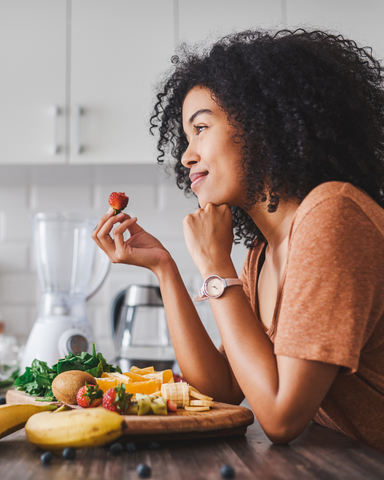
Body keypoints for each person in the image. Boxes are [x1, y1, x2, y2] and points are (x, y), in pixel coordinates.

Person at [92, 29, 384, 453]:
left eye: (202, 127)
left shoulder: (332, 215)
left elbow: (281, 416)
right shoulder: (261, 254)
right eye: (186, 137)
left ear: (263, 124)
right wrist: (164, 266)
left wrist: (216, 268)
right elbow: (223, 387)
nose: (186, 156)